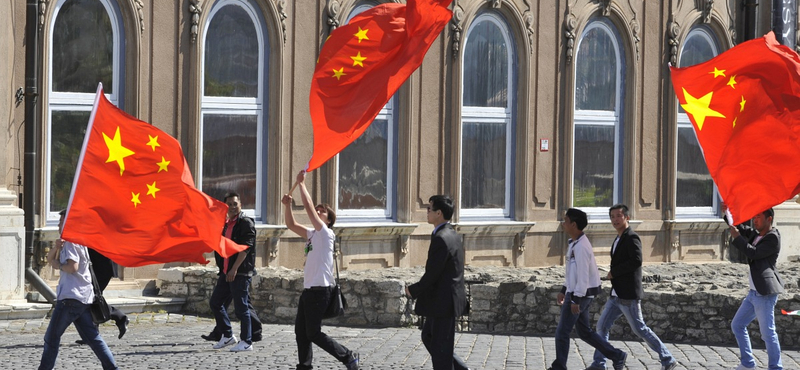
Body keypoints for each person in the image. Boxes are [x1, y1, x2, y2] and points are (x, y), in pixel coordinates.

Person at [282, 170, 359, 370]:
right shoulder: (311, 235)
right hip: (309, 290)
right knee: (301, 332)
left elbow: (307, 207)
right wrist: (287, 206)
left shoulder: (326, 234)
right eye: (317, 210)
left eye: (321, 211)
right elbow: (290, 224)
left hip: (321, 289)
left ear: (328, 220)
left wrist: (301, 184)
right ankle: (304, 366)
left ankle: (347, 356)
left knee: (313, 332)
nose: (317, 212)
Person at [587, 204, 676, 370]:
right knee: (602, 326)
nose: (615, 220)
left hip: (628, 296)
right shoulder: (618, 238)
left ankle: (667, 358)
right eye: (612, 216)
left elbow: (636, 260)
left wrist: (615, 272)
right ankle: (599, 363)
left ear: (627, 217)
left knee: (640, 329)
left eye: (618, 216)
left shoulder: (631, 237)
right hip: (616, 294)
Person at [39, 210, 118, 370]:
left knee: (51, 338)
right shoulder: (73, 241)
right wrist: (56, 248)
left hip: (71, 298)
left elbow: (73, 267)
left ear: (68, 224)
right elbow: (49, 260)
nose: (59, 225)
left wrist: (59, 265)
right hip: (81, 297)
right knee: (93, 338)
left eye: (61, 222)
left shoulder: (71, 242)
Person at [548, 208, 626, 370]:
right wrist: (564, 289)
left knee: (562, 332)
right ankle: (616, 355)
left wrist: (576, 299)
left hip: (580, 294)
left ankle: (559, 367)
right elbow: (573, 273)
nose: (563, 224)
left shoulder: (581, 247)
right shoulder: (575, 243)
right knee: (584, 332)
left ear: (574, 224)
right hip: (576, 292)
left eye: (566, 221)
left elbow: (583, 276)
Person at [405, 195, 470, 370]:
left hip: (444, 301)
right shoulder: (451, 233)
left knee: (440, 347)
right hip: (442, 300)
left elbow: (433, 272)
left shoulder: (442, 238)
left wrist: (414, 290)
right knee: (429, 337)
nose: (426, 212)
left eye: (429, 209)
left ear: (439, 213)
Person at [727, 207, 784, 370]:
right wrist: (728, 214)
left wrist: (737, 238)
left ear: (769, 219)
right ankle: (747, 363)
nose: (755, 220)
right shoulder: (757, 235)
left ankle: (776, 367)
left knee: (768, 334)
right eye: (754, 216)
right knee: (737, 325)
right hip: (753, 293)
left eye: (758, 217)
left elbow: (754, 253)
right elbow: (739, 228)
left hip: (764, 294)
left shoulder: (773, 238)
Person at [208, 192, 257, 352]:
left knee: (241, 307)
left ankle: (247, 341)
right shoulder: (225, 224)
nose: (233, 207)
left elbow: (246, 248)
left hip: (240, 272)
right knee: (215, 302)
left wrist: (234, 269)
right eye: (229, 204)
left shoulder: (245, 223)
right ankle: (228, 335)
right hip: (226, 271)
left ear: (240, 205)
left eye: (235, 204)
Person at [74, 249, 128, 345]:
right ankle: (92, 335)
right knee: (91, 300)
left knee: (91, 299)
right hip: (97, 268)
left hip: (102, 268)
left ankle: (119, 317)